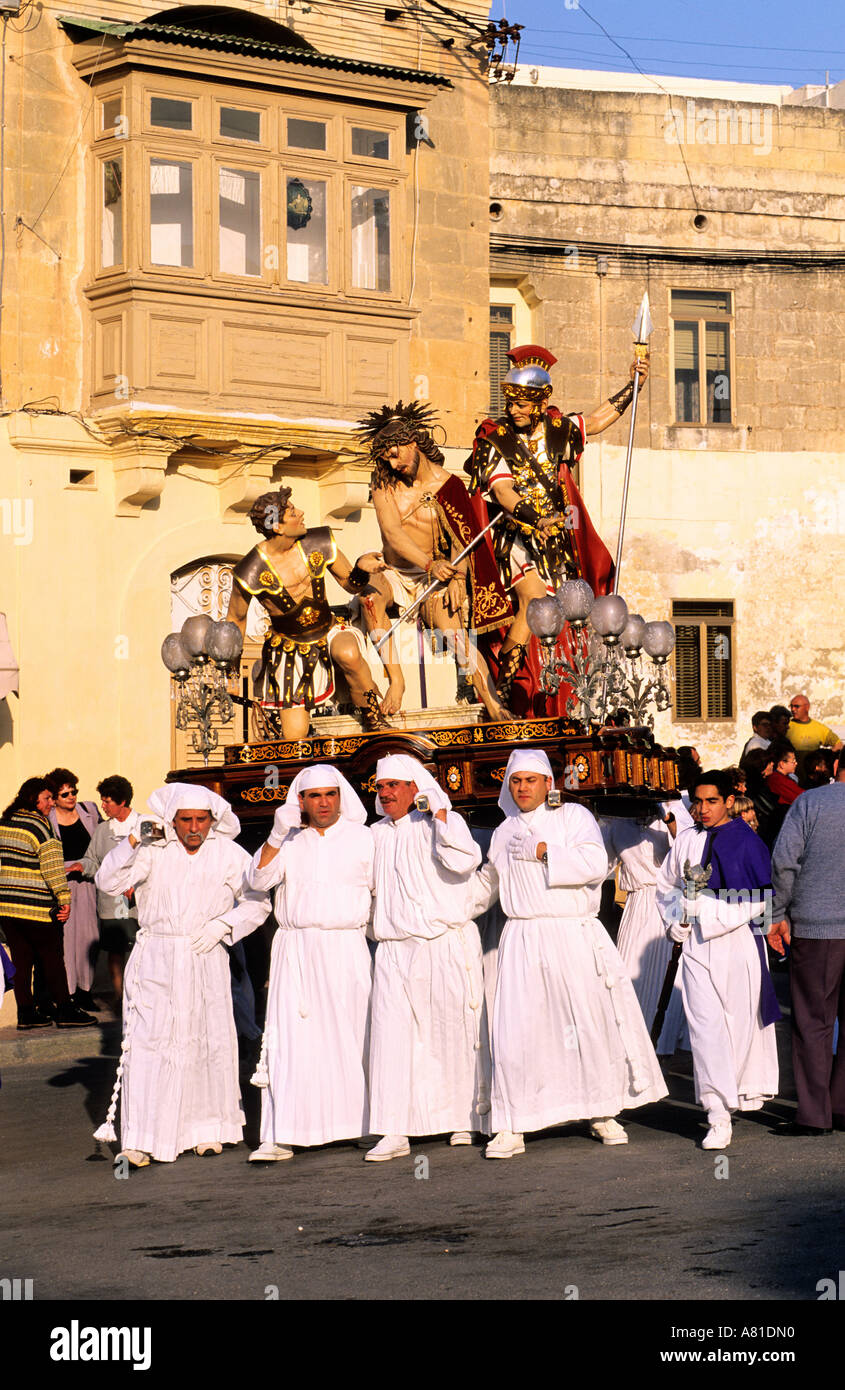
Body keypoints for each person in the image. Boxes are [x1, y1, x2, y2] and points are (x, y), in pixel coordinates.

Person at [475, 750, 667, 1158]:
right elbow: (487, 886)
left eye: (531, 780)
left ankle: (601, 1109)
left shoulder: (573, 817)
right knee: (518, 1032)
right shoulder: (503, 831)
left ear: (548, 783)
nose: (523, 788)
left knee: (587, 1024)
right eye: (516, 781)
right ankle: (513, 1122)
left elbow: (596, 864)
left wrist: (545, 851)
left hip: (571, 934)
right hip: (523, 937)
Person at [93, 785, 270, 1167]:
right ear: (172, 821)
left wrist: (224, 925)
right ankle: (141, 1138)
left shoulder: (228, 854)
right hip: (156, 956)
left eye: (201, 820)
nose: (194, 828)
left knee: (205, 1041)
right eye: (185, 820)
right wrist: (135, 840)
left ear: (212, 820)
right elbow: (106, 883)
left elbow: (258, 900)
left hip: (204, 956)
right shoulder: (153, 852)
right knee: (148, 1045)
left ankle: (206, 1129)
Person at [465, 343, 645, 703]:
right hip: (515, 533)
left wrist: (634, 387)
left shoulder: (559, 428)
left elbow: (595, 421)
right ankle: (503, 684)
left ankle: (555, 686)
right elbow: (502, 492)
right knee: (532, 599)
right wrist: (535, 519)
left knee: (556, 612)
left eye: (521, 403)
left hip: (555, 540)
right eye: (510, 402)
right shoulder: (494, 440)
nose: (513, 409)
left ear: (540, 403)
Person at [245, 766, 374, 1162]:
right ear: (300, 800)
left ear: (341, 796)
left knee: (353, 1034)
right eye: (313, 795)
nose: (323, 802)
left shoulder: (364, 838)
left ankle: (362, 1125)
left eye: (329, 794)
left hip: (346, 946)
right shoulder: (288, 840)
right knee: (291, 1040)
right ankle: (282, 1132)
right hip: (296, 948)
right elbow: (258, 880)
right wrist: (274, 835)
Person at [365, 754, 489, 1160]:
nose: (385, 795)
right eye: (380, 788)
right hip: (395, 949)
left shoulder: (440, 823)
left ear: (414, 788)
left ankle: (463, 1118)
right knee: (394, 1040)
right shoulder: (375, 835)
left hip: (443, 943)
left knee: (452, 1033)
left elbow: (465, 860)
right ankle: (394, 1128)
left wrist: (439, 812)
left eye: (393, 786)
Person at [359, 400, 513, 721]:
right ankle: (396, 682)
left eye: (396, 452)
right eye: (386, 456)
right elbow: (392, 533)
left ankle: (493, 704)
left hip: (435, 577)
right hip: (396, 573)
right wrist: (431, 565)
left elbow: (465, 539)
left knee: (456, 637)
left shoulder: (450, 485)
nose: (393, 462)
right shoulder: (383, 484)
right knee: (370, 599)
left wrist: (457, 578)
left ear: (412, 442)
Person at [656, 770, 780, 1150]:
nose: (702, 809)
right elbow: (666, 886)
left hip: (736, 945)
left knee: (738, 1024)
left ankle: (738, 1092)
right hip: (696, 946)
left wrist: (711, 913)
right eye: (697, 801)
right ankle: (717, 1112)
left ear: (729, 800)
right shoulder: (686, 841)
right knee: (705, 1027)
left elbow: (763, 898)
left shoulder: (747, 841)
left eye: (711, 801)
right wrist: (675, 920)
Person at [225, 487, 393, 736]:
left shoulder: (318, 542)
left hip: (329, 629)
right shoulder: (250, 571)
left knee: (348, 652)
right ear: (278, 526)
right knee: (294, 739)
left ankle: (373, 717)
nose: (301, 513)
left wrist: (360, 568)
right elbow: (235, 620)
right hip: (289, 648)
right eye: (292, 511)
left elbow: (350, 583)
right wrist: (232, 671)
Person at [769, 761, 845, 1135]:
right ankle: (842, 1105)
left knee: (813, 1022)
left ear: (835, 766)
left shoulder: (811, 802)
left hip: (819, 928)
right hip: (823, 926)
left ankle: (816, 1115)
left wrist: (777, 911)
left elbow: (784, 863)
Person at [0, 778, 95, 1029]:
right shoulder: (40, 826)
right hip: (37, 907)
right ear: (33, 799)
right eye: (47, 798)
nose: (51, 803)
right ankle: (64, 1009)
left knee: (21, 961)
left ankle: (26, 1013)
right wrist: (64, 900)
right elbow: (52, 868)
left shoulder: (5, 823)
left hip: (8, 908)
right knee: (52, 958)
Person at [602, 798, 694, 1055]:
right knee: (630, 970)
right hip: (637, 901)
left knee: (671, 972)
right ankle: (630, 1045)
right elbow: (599, 862)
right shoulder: (616, 820)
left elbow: (690, 851)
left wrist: (668, 819)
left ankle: (663, 1044)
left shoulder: (673, 809)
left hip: (672, 898)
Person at [80, 776, 140, 1004]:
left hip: (137, 904)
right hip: (110, 904)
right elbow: (92, 860)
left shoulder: (143, 825)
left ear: (122, 801)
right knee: (115, 950)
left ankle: (138, 996)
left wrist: (135, 885)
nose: (103, 806)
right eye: (102, 801)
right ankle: (119, 997)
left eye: (107, 802)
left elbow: (154, 861)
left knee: (138, 949)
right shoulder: (103, 830)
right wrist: (80, 865)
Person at [46, 768, 100, 1012]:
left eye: (73, 791)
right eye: (65, 793)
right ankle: (66, 993)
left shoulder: (89, 812)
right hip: (61, 882)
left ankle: (85, 991)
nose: (71, 796)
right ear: (55, 797)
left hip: (87, 880)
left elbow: (100, 847)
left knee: (89, 936)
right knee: (66, 939)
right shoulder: (48, 818)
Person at [786, 694, 843, 780]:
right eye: (791, 706)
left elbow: (839, 744)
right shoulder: (786, 726)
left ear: (807, 707)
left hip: (812, 779)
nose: (793, 709)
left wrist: (826, 760)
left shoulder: (819, 728)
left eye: (796, 706)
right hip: (791, 777)